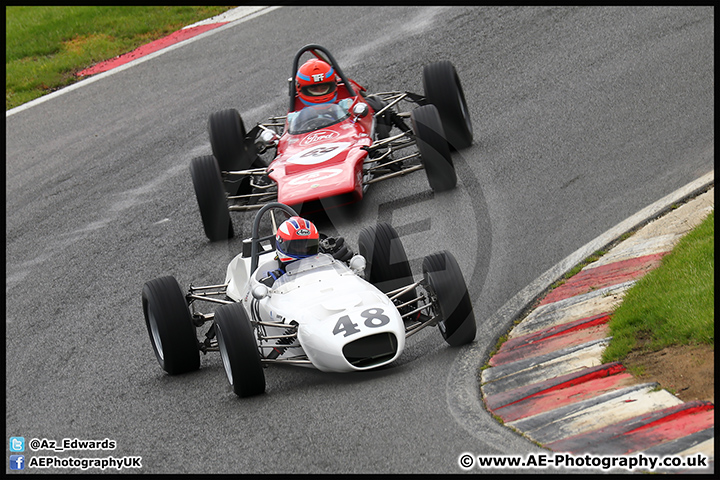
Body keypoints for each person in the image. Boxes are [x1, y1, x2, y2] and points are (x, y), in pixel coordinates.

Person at [261, 216, 320, 286]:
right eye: (297, 246)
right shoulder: (271, 282)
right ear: (282, 244)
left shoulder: (325, 268)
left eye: (307, 246)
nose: (303, 250)